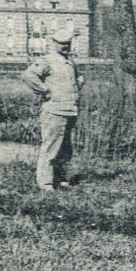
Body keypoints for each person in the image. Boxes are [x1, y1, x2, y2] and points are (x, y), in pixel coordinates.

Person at [21, 24, 84, 192]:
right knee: (50, 147)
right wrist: (45, 90)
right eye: (61, 43)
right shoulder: (46, 60)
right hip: (54, 110)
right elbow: (28, 75)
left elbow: (77, 77)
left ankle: (62, 178)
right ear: (53, 43)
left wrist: (80, 82)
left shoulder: (69, 61)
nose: (65, 46)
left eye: (68, 43)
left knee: (65, 148)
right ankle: (46, 183)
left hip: (70, 109)